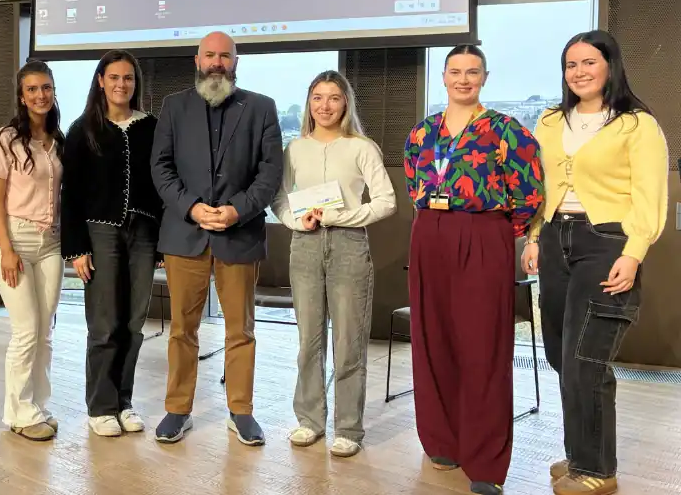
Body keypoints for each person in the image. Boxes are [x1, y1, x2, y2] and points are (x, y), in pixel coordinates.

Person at [520, 30, 668, 495]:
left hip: (606, 241)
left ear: (610, 66)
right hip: (554, 238)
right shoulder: (549, 121)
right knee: (561, 354)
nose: (579, 72)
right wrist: (533, 237)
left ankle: (597, 469)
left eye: (589, 62)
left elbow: (650, 195)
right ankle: (580, 452)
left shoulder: (636, 125)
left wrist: (634, 252)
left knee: (586, 358)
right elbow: (540, 185)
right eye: (571, 64)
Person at [402, 44, 544, 495]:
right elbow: (413, 183)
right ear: (444, 77)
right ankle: (442, 441)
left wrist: (495, 233)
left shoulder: (506, 130)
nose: (463, 79)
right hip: (429, 232)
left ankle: (486, 460)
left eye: (473, 72)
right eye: (456, 71)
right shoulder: (422, 132)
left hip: (484, 233)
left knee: (484, 345)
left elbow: (529, 193)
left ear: (485, 78)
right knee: (433, 338)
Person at [150, 30, 283, 445]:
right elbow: (161, 168)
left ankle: (241, 411)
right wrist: (191, 207)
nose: (217, 62)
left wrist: (237, 210)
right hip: (185, 233)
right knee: (181, 329)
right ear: (197, 60)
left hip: (239, 234)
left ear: (235, 61)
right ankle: (178, 409)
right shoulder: (174, 106)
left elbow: (270, 173)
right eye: (210, 55)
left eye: (225, 55)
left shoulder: (262, 107)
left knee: (240, 330)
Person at [271, 70, 396, 458]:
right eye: (318, 98)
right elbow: (279, 199)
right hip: (304, 246)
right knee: (308, 341)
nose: (325, 106)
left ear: (346, 104)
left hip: (348, 246)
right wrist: (297, 221)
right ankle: (309, 421)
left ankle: (348, 428)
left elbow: (387, 201)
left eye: (334, 98)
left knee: (348, 341)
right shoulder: (294, 149)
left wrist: (342, 217)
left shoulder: (362, 147)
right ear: (309, 104)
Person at [61, 50, 162, 437]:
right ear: (101, 81)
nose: (122, 84)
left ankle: (124, 401)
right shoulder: (82, 128)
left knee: (134, 322)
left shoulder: (151, 127)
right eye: (115, 77)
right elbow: (70, 193)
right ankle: (101, 406)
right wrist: (77, 247)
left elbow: (161, 186)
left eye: (129, 78)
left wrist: (161, 243)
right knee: (104, 323)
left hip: (144, 233)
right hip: (99, 232)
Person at [0, 60, 65, 442]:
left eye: (46, 87)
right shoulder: (6, 139)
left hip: (52, 243)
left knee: (45, 331)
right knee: (26, 330)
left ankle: (37, 405)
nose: (40, 95)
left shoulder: (58, 139)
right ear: (21, 96)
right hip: (15, 240)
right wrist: (5, 249)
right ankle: (18, 412)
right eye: (32, 89)